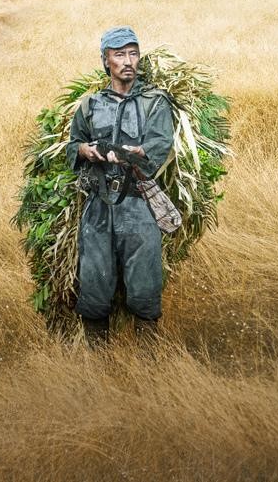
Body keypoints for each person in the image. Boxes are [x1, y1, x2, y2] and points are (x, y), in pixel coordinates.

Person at [65, 26, 175, 347]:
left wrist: (136, 154)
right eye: (119, 54)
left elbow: (160, 145)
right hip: (98, 207)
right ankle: (98, 366)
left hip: (139, 205)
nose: (128, 61)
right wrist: (86, 151)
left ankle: (147, 365)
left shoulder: (155, 103)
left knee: (145, 287)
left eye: (133, 53)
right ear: (106, 61)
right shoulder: (90, 105)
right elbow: (74, 144)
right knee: (95, 288)